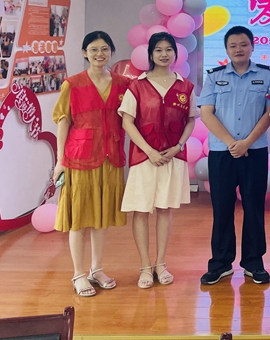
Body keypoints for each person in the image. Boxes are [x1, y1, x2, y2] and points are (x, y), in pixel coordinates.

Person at [52, 31, 130, 297]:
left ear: (111, 52)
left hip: (111, 158)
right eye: (94, 49)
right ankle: (78, 274)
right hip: (79, 158)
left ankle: (97, 269)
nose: (100, 54)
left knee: (101, 216)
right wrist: (60, 161)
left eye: (105, 49)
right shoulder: (72, 84)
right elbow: (63, 121)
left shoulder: (123, 84)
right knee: (79, 218)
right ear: (85, 52)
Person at [197, 26, 270, 285]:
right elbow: (206, 113)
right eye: (233, 45)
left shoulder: (267, 75)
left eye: (243, 44)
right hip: (222, 152)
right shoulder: (214, 77)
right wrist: (232, 143)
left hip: (254, 151)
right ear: (226, 49)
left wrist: (247, 143)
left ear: (252, 46)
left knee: (254, 208)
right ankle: (220, 263)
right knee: (222, 208)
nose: (238, 49)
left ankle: (254, 263)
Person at [119, 32, 196, 288]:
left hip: (173, 157)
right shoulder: (137, 86)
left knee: (165, 209)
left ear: (175, 53)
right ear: (150, 54)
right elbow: (127, 122)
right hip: (145, 158)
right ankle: (144, 266)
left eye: (168, 49)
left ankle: (160, 264)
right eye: (158, 50)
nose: (164, 54)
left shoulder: (185, 86)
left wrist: (178, 146)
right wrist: (149, 151)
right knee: (141, 210)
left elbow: (190, 120)